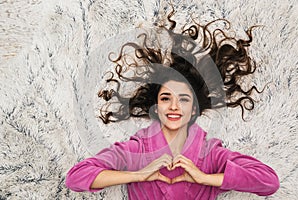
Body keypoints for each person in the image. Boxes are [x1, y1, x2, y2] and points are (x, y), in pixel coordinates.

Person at [65, 10, 279, 199]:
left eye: (184, 99)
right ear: (156, 107)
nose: (174, 106)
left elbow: (269, 182)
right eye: (166, 98)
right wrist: (138, 175)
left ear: (194, 109)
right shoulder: (136, 150)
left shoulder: (212, 153)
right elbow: (75, 178)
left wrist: (204, 178)